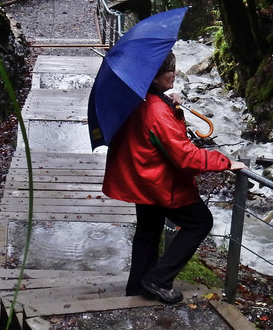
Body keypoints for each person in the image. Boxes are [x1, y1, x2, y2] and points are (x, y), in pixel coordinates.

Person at [102, 52, 247, 303]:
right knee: (200, 222)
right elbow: (184, 156)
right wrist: (225, 162)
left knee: (148, 231)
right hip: (158, 181)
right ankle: (157, 280)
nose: (175, 73)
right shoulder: (156, 110)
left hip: (142, 179)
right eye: (170, 70)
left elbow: (159, 134)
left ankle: (137, 287)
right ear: (155, 77)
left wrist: (168, 104)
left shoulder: (143, 99)